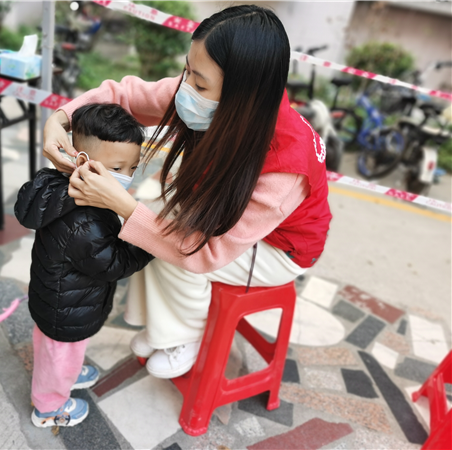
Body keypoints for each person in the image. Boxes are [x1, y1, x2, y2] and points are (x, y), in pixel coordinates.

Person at [42, 5, 332, 379]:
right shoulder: (204, 94)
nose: (185, 88)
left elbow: (205, 251)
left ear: (242, 94)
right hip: (227, 214)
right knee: (153, 217)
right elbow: (124, 95)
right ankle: (161, 325)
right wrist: (60, 119)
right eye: (187, 70)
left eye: (200, 82)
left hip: (281, 248)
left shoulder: (286, 165)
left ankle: (184, 336)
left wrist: (122, 205)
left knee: (164, 242)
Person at [14, 103, 154, 428]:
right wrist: (148, 242)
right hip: (68, 310)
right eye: (117, 167)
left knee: (57, 352)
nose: (126, 176)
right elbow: (114, 263)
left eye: (132, 167)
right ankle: (49, 408)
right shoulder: (85, 223)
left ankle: (67, 374)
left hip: (59, 299)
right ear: (81, 161)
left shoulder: (61, 191)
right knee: (58, 356)